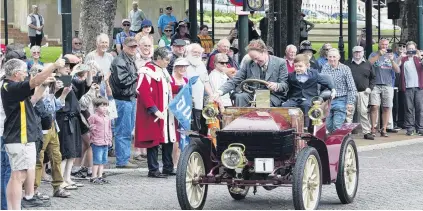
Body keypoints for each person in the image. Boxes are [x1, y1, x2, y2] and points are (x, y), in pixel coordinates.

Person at [1, 58, 64, 209]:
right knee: (17, 175)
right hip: (18, 136)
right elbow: (33, 82)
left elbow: (34, 98)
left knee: (19, 174)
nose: (26, 74)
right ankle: (12, 207)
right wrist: (53, 66)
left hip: (22, 135)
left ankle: (13, 206)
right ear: (16, 74)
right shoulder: (10, 86)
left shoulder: (15, 89)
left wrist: (44, 84)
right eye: (24, 72)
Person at [135, 47, 176, 178]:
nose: (168, 62)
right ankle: (153, 169)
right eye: (166, 59)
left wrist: (183, 87)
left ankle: (168, 167)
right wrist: (153, 109)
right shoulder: (146, 71)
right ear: (158, 59)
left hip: (166, 110)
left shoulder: (163, 71)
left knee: (168, 139)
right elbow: (143, 91)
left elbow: (168, 88)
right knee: (153, 141)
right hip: (154, 112)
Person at [214, 39, 289, 107]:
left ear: (264, 52)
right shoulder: (248, 63)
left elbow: (285, 85)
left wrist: (277, 86)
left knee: (262, 100)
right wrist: (219, 92)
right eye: (253, 59)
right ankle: (240, 120)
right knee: (239, 97)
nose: (255, 62)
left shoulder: (280, 63)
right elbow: (234, 80)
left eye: (256, 58)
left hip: (272, 96)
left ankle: (261, 121)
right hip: (253, 94)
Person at [282, 54, 335, 128]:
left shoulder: (314, 74)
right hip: (295, 99)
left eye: (300, 66)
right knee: (285, 106)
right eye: (296, 66)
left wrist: (333, 89)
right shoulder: (291, 76)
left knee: (306, 105)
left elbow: (326, 81)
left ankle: (305, 128)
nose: (298, 68)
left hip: (309, 98)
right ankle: (286, 127)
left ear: (307, 66)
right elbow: (287, 87)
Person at [109, 37, 139, 168]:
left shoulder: (129, 59)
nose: (133, 49)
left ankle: (125, 157)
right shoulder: (119, 61)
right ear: (124, 46)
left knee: (127, 129)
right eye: (131, 46)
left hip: (130, 98)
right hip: (122, 100)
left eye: (135, 46)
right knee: (123, 130)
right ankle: (122, 160)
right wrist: (137, 75)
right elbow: (122, 81)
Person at [368, 38, 400, 137]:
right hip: (376, 84)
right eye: (383, 44)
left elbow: (397, 70)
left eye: (386, 45)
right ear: (379, 45)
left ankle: (384, 129)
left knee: (386, 107)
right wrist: (379, 55)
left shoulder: (392, 55)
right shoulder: (373, 54)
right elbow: (369, 64)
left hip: (388, 84)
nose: (385, 47)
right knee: (374, 106)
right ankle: (373, 128)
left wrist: (391, 60)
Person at [321, 48, 357, 133]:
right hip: (328, 100)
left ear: (339, 57)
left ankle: (338, 144)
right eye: (330, 57)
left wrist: (350, 103)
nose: (332, 59)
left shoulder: (345, 69)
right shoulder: (325, 67)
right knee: (328, 125)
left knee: (337, 126)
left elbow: (351, 87)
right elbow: (321, 83)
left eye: (334, 57)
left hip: (341, 100)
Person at [345, 46, 376, 140]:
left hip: (363, 92)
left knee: (363, 112)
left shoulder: (368, 63)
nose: (357, 54)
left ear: (363, 52)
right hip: (350, 92)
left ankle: (367, 132)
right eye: (355, 52)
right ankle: (347, 132)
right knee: (349, 113)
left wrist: (370, 88)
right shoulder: (347, 63)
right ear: (352, 53)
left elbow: (373, 78)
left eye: (359, 52)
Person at [398, 41, 423, 136]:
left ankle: (420, 128)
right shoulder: (404, 59)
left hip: (419, 87)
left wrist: (420, 56)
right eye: (409, 49)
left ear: (415, 49)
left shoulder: (419, 58)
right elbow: (396, 67)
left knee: (420, 108)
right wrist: (401, 56)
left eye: (413, 49)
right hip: (408, 87)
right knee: (408, 108)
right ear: (406, 49)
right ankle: (410, 128)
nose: (411, 51)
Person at [88, 97, 112, 184]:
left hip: (105, 142)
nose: (104, 108)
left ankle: (100, 176)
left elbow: (109, 129)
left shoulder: (107, 118)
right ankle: (93, 176)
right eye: (102, 106)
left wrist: (110, 140)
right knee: (97, 160)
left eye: (106, 106)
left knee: (103, 161)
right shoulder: (93, 117)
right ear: (96, 107)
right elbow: (88, 126)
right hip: (97, 142)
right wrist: (91, 129)